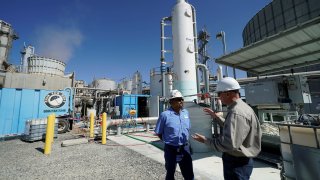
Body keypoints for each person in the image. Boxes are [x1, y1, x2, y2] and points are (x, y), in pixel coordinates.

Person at [192, 77, 261, 180]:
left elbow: (229, 144)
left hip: (237, 163)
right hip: (240, 161)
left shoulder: (236, 112)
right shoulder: (241, 108)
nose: (219, 98)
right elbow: (235, 129)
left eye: (220, 94)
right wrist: (216, 117)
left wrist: (206, 141)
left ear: (228, 93)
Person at [155, 89, 194, 180]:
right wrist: (169, 141)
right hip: (171, 149)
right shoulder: (165, 115)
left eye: (181, 99)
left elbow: (188, 129)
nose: (181, 101)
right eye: (178, 99)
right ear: (171, 101)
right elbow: (159, 132)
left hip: (185, 147)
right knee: (170, 172)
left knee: (189, 174)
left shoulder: (186, 113)